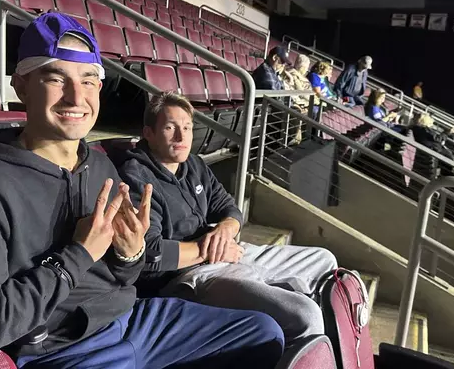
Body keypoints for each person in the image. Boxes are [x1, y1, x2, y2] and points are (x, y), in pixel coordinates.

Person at [0, 13, 285, 368]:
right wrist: (77, 255)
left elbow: (122, 277)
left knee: (264, 333)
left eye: (88, 81)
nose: (76, 97)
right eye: (56, 78)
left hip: (134, 322)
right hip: (64, 349)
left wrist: (128, 255)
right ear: (21, 85)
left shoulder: (99, 165)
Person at [119, 91, 338, 347]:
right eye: (170, 127)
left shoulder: (194, 164)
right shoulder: (136, 178)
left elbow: (230, 209)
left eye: (187, 128)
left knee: (324, 260)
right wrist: (212, 250)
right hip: (187, 277)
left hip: (224, 253)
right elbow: (150, 254)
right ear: (149, 133)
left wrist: (224, 230)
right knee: (304, 314)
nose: (181, 137)